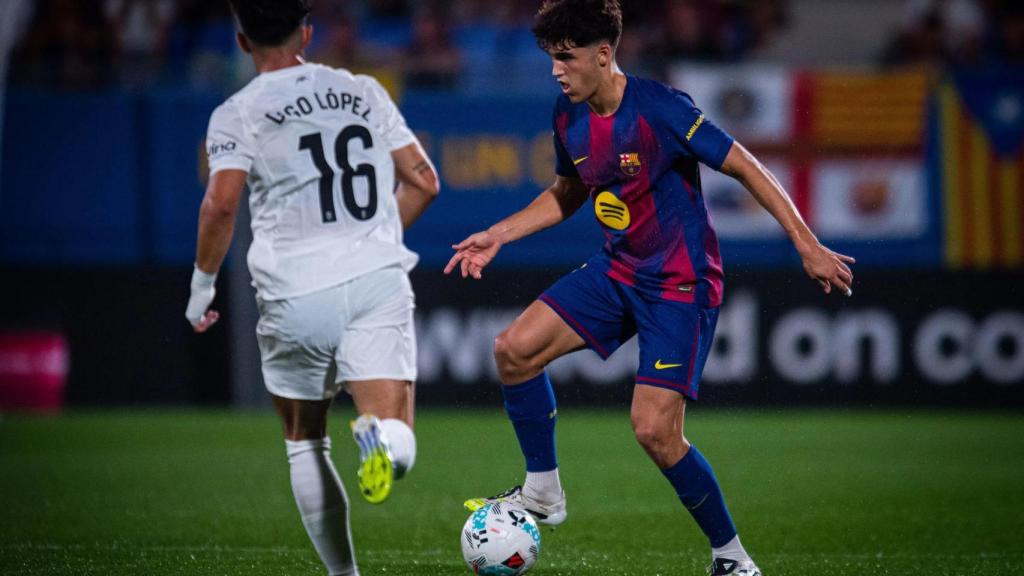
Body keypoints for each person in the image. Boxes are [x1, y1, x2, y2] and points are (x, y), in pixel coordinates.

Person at [446, 1, 854, 575]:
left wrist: (806, 244)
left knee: (655, 431)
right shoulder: (569, 115)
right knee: (513, 350)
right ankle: (542, 493)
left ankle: (733, 559)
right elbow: (568, 191)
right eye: (551, 59)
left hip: (679, 284)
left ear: (604, 53)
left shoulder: (662, 109)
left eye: (566, 58)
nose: (557, 71)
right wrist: (499, 234)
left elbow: (744, 165)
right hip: (618, 271)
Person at [185, 1, 439, 574]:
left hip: (294, 292)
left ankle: (343, 574)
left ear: (243, 42)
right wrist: (371, 236)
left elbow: (220, 203)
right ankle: (382, 442)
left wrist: (202, 289)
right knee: (399, 435)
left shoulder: (237, 112)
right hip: (374, 280)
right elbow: (424, 180)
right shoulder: (363, 90)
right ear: (307, 31)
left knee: (304, 440)